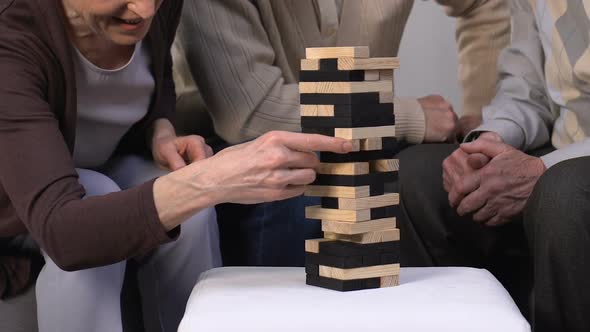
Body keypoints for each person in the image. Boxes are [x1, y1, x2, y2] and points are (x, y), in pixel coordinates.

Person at [0, 0, 353, 331]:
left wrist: (161, 129)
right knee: (98, 202)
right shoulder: (10, 38)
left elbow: (158, 76)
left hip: (106, 163)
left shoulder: (157, 8)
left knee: (192, 213)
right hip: (25, 204)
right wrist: (211, 180)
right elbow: (66, 233)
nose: (145, 9)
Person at [175, 0, 511, 266]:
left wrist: (484, 122)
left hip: (363, 137)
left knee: (432, 178)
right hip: (233, 144)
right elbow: (250, 112)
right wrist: (406, 115)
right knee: (302, 182)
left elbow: (483, 5)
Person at [399, 0, 590, 330]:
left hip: (569, 174)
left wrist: (543, 170)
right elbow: (526, 86)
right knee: (412, 177)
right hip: (562, 152)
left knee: (564, 194)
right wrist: (487, 141)